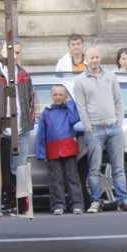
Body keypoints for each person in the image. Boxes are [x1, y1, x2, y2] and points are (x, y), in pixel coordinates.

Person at [73, 46, 127, 214]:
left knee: (119, 168)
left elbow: (119, 100)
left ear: (100, 58)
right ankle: (96, 201)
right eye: (92, 58)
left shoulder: (110, 76)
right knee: (94, 168)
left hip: (113, 128)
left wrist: (119, 122)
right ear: (86, 60)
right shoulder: (80, 81)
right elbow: (81, 108)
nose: (95, 60)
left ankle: (123, 200)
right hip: (94, 130)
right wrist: (88, 127)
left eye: (97, 57)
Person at [0, 41, 36, 213]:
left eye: (17, 53)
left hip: (21, 129)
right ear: (2, 52)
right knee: (2, 170)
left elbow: (31, 101)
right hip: (0, 130)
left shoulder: (24, 75)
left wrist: (29, 122)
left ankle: (20, 204)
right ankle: (3, 201)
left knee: (19, 168)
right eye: (11, 52)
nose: (14, 56)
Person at [34, 84, 84, 215]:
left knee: (72, 178)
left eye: (61, 94)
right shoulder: (47, 112)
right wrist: (41, 153)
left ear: (65, 96)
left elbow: (75, 119)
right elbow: (41, 134)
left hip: (68, 149)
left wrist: (70, 103)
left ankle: (77, 204)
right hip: (53, 150)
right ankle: (58, 205)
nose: (57, 97)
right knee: (56, 179)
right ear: (51, 96)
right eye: (55, 94)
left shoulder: (69, 110)